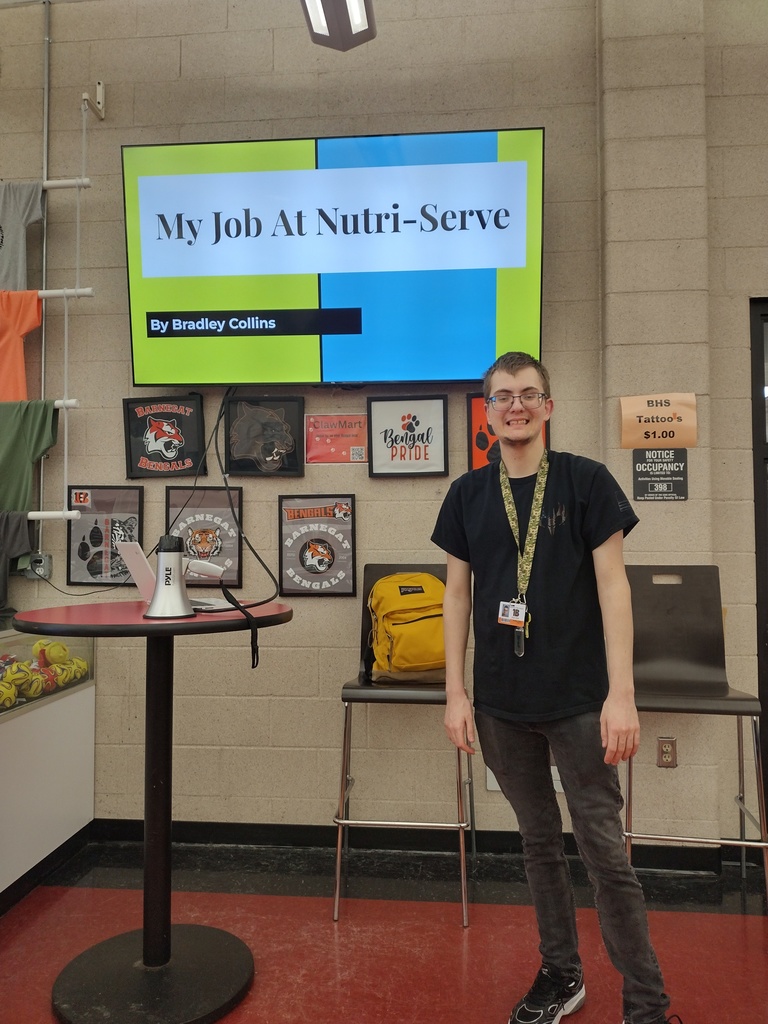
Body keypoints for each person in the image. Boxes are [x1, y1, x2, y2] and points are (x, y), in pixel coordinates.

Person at [431, 351, 681, 1024]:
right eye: (503, 396)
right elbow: (457, 596)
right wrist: (456, 693)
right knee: (538, 844)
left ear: (548, 406)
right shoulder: (466, 496)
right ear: (488, 413)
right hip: (501, 706)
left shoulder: (586, 483)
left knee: (604, 854)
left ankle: (647, 1004)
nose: (516, 405)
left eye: (528, 394)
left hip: (580, 702)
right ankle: (561, 974)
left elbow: (614, 590)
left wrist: (621, 695)